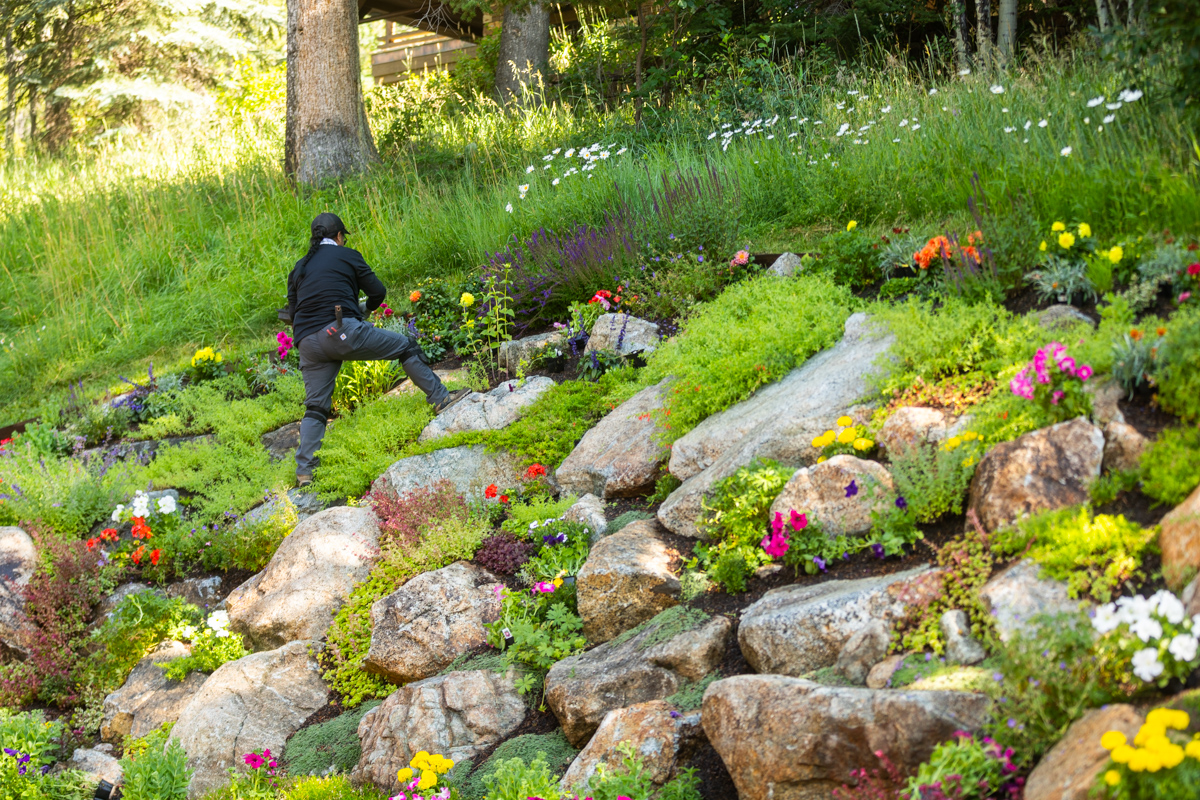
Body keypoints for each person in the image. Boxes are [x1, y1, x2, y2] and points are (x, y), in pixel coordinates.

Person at [287, 212, 469, 486]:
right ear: (339, 237)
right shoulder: (346, 255)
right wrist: (365, 310)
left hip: (307, 343)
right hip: (340, 331)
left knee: (316, 406)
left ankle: (306, 472)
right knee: (405, 345)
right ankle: (441, 398)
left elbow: (292, 311)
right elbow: (378, 292)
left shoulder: (299, 267)